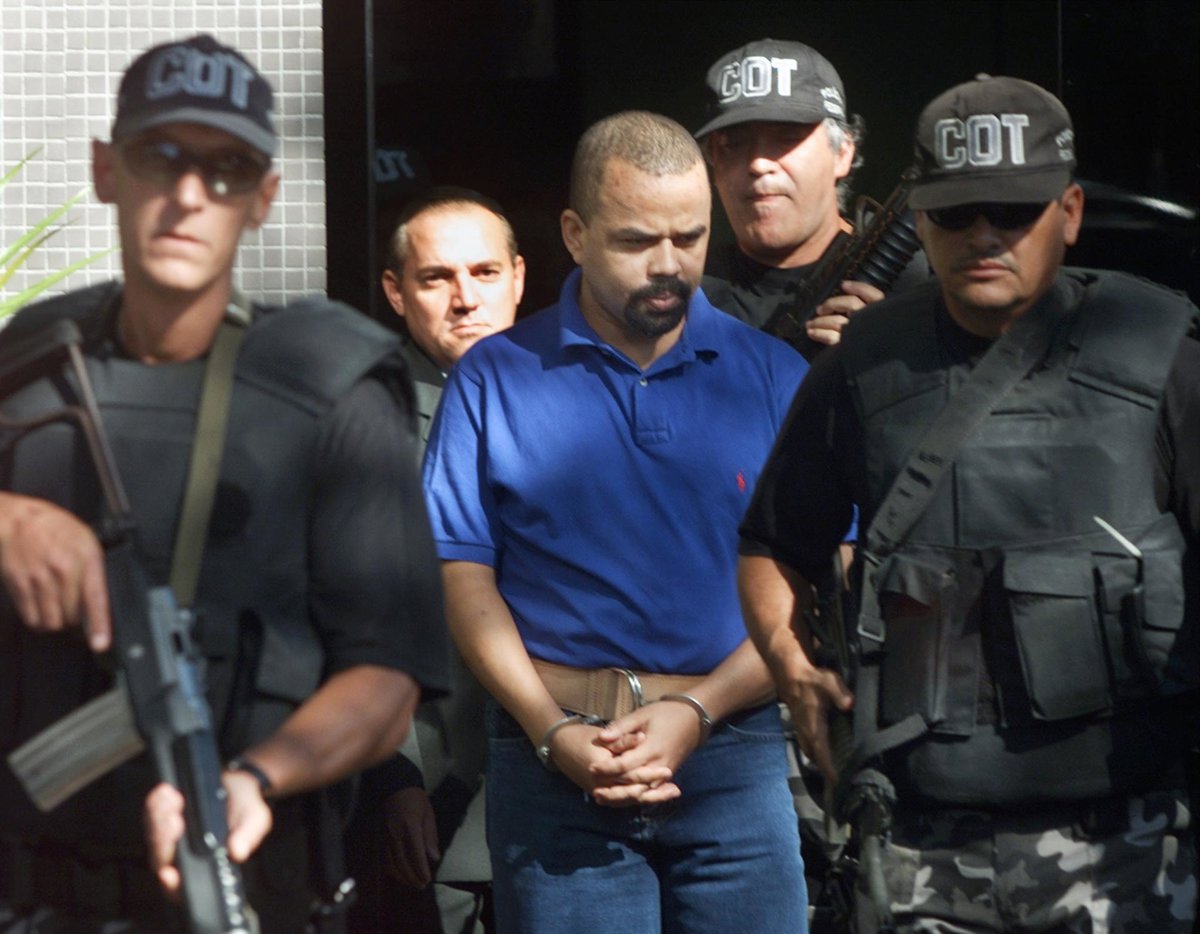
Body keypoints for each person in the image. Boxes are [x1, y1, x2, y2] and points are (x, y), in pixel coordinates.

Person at [0, 34, 448, 933]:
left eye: (227, 168)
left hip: (251, 888)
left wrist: (254, 778)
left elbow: (388, 679)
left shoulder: (332, 387)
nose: (189, 193)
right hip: (33, 894)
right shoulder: (28, 363)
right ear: (105, 170)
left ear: (263, 198)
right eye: (159, 156)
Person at [738, 74, 1200, 933]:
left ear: (1069, 212)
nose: (984, 235)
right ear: (919, 222)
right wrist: (791, 667)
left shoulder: (1159, 355)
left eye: (1013, 211)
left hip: (1130, 846)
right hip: (919, 846)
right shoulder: (862, 365)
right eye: (955, 213)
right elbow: (773, 543)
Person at [422, 110, 810, 933]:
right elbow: (464, 578)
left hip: (735, 754)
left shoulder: (775, 374)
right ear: (575, 233)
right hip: (552, 759)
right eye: (637, 240)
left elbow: (819, 579)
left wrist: (700, 711)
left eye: (690, 237)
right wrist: (548, 730)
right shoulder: (493, 378)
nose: (668, 264)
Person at [347, 187, 525, 934]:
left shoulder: (578, 388)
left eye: (484, 273)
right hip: (440, 784)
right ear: (396, 292)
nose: (465, 298)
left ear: (518, 277)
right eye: (436, 278)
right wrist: (394, 775)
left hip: (575, 775)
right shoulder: (363, 419)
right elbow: (357, 614)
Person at [696, 38, 927, 359]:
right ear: (713, 163)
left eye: (787, 138)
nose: (758, 163)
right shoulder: (685, 292)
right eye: (733, 144)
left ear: (843, 152)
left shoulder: (917, 288)